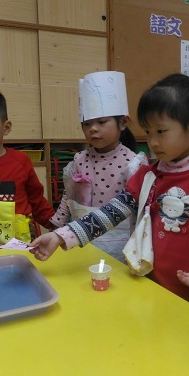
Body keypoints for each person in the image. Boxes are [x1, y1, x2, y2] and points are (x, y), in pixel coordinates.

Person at [30, 68, 189, 319]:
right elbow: (110, 213)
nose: (152, 142)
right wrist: (60, 236)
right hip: (154, 292)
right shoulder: (147, 175)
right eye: (148, 132)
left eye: (161, 131)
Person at [49, 71, 147, 262]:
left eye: (101, 122)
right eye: (87, 124)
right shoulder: (78, 160)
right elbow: (68, 196)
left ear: (123, 122)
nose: (93, 128)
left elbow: (139, 210)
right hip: (81, 238)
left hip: (120, 243)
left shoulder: (133, 164)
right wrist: (57, 226)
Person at [0, 86, 56, 249]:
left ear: (6, 128)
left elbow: (37, 201)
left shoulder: (20, 161)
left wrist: (59, 228)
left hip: (19, 246)